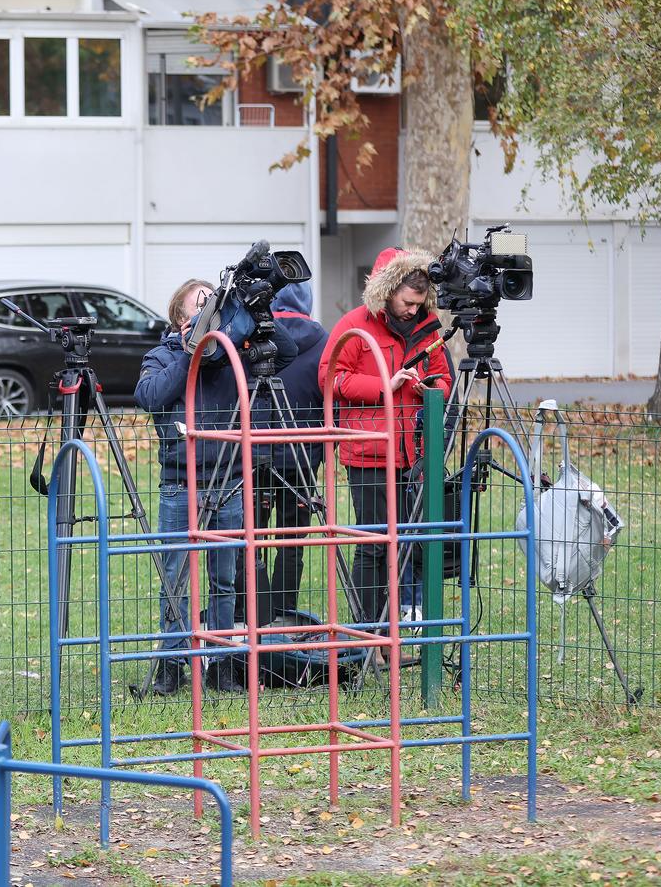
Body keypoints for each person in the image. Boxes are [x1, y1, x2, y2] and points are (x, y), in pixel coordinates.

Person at [135, 277, 296, 695]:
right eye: (200, 304)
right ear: (180, 317)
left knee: (225, 580)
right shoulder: (162, 354)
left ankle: (222, 664)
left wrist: (255, 309)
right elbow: (149, 396)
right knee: (176, 582)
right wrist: (191, 354)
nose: (210, 309)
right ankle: (172, 664)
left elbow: (290, 352)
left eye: (214, 303)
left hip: (229, 483)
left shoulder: (234, 356)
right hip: (180, 484)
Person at [320, 248, 454, 628]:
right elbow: (329, 378)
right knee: (374, 547)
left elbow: (444, 378)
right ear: (387, 289)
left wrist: (433, 387)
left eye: (419, 302)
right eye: (407, 302)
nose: (413, 310)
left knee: (411, 546)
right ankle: (369, 632)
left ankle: (399, 625)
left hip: (414, 457)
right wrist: (383, 385)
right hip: (369, 455)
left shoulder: (429, 329)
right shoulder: (354, 325)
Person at [254, 282, 329, 620]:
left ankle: (255, 611)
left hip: (254, 449)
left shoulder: (255, 335)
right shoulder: (324, 340)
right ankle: (284, 611)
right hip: (303, 452)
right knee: (292, 536)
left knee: (250, 534)